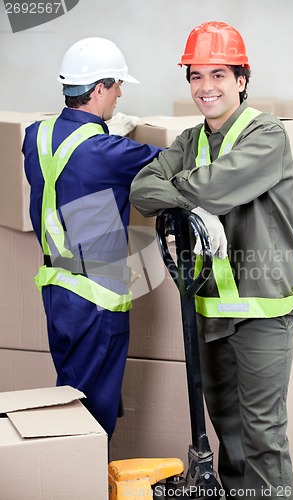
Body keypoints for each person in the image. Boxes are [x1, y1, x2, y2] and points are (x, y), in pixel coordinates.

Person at [129, 21, 293, 500]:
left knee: (263, 438)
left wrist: (182, 193)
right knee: (228, 435)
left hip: (263, 308)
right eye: (196, 76)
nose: (205, 87)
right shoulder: (189, 141)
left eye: (218, 75)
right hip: (211, 309)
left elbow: (215, 188)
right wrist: (186, 193)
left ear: (242, 79)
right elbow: (142, 189)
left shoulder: (267, 135)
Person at [23, 37, 162, 445]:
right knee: (90, 415)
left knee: (70, 393)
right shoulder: (106, 150)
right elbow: (170, 160)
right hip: (97, 297)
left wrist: (98, 130)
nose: (120, 93)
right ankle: (74, 481)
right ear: (99, 89)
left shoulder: (36, 136)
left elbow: (72, 171)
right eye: (117, 84)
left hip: (57, 289)